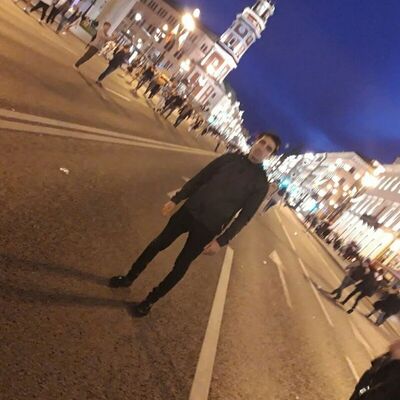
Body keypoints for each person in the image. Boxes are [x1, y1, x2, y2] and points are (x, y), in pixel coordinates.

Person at [109, 133, 281, 317]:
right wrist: (177, 199)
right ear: (255, 142)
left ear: (270, 156)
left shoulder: (260, 184)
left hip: (208, 227)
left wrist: (221, 241)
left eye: (268, 148)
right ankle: (129, 277)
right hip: (189, 211)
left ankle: (149, 301)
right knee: (157, 244)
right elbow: (201, 178)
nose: (262, 148)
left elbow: (244, 217)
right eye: (262, 142)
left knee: (180, 265)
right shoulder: (230, 159)